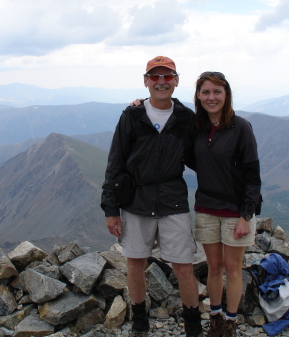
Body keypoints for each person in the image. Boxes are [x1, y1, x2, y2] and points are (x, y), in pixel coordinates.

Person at [101, 56, 203, 337]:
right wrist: (111, 209)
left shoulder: (186, 118)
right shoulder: (131, 116)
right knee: (135, 263)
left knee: (183, 266)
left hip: (173, 200)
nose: (161, 82)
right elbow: (115, 163)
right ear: (146, 81)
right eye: (155, 77)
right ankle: (139, 322)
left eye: (167, 77)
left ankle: (193, 326)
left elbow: (201, 155)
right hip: (136, 200)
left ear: (176, 81)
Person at [192, 71, 261, 337]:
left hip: (234, 212)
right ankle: (215, 320)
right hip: (206, 208)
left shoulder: (241, 127)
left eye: (217, 92)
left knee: (233, 269)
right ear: (198, 96)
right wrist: (141, 104)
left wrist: (246, 214)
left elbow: (253, 174)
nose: (212, 97)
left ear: (226, 95)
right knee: (214, 267)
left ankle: (230, 324)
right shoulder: (196, 127)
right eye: (206, 92)